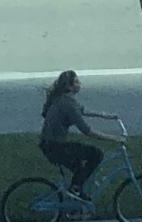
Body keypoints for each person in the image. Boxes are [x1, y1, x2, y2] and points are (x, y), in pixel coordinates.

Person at [38, 70, 119, 206]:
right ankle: (75, 190)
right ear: (69, 86)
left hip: (48, 145)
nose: (80, 84)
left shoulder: (62, 99)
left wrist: (107, 116)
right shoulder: (68, 104)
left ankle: (75, 201)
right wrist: (114, 138)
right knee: (96, 154)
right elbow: (87, 131)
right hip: (55, 147)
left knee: (79, 169)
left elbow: (83, 111)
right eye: (76, 82)